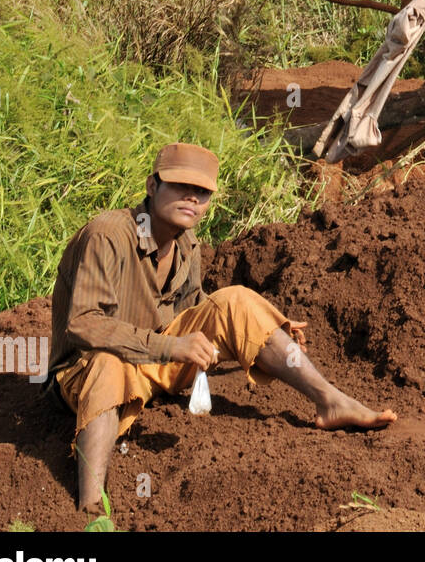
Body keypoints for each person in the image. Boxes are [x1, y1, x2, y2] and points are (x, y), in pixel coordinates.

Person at [48, 143, 397, 512]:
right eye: (181, 186)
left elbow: (199, 310)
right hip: (86, 372)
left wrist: (263, 324)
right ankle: (91, 509)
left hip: (151, 364)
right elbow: (83, 324)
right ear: (152, 186)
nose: (192, 198)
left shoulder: (186, 243)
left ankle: (331, 401)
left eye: (202, 192)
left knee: (239, 301)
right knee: (108, 362)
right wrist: (170, 348)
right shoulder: (108, 235)